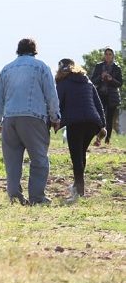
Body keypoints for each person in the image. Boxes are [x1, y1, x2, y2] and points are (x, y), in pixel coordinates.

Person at [0, 38, 60, 205]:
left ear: (18, 50)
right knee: (39, 159)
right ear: (34, 50)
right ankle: (37, 197)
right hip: (33, 117)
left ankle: (14, 195)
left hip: (9, 119)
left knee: (12, 160)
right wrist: (55, 117)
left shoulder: (7, 69)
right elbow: (51, 95)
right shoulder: (41, 67)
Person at [56, 58, 107, 202]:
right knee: (81, 153)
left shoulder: (62, 83)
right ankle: (78, 186)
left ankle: (79, 190)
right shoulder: (87, 82)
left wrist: (51, 123)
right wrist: (102, 126)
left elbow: (57, 105)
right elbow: (98, 104)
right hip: (92, 123)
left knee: (76, 157)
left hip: (75, 123)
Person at [90, 47, 122, 145]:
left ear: (113, 56)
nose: (108, 56)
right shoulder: (99, 66)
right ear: (104, 55)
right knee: (99, 117)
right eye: (106, 54)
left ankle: (107, 140)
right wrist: (101, 77)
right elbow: (93, 80)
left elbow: (120, 83)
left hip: (112, 96)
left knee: (110, 118)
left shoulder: (117, 68)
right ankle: (98, 138)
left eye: (110, 54)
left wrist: (111, 79)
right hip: (100, 95)